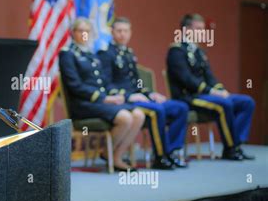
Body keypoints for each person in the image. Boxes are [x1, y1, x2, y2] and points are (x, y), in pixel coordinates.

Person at [98, 17, 189, 170]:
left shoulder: (129, 53)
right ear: (112, 32)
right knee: (157, 111)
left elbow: (136, 82)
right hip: (124, 100)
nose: (122, 34)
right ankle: (160, 157)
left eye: (126, 31)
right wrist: (128, 96)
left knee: (181, 107)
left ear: (130, 33)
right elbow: (106, 85)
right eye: (119, 31)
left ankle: (171, 151)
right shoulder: (105, 54)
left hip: (139, 97)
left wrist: (150, 94)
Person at [59, 17, 145, 172]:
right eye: (80, 31)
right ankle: (109, 154)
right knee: (125, 118)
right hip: (84, 104)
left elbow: (104, 81)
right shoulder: (68, 54)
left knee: (138, 115)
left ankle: (116, 154)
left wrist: (116, 96)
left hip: (101, 102)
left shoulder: (91, 54)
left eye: (88, 31)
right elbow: (75, 86)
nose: (84, 34)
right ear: (73, 33)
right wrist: (104, 97)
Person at [166, 13, 255, 160]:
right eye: (198, 28)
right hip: (188, 97)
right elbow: (187, 79)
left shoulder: (199, 51)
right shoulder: (177, 51)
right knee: (223, 104)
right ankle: (230, 149)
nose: (202, 32)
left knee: (246, 102)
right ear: (187, 30)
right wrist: (211, 91)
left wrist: (220, 89)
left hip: (207, 95)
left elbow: (209, 76)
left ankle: (237, 144)